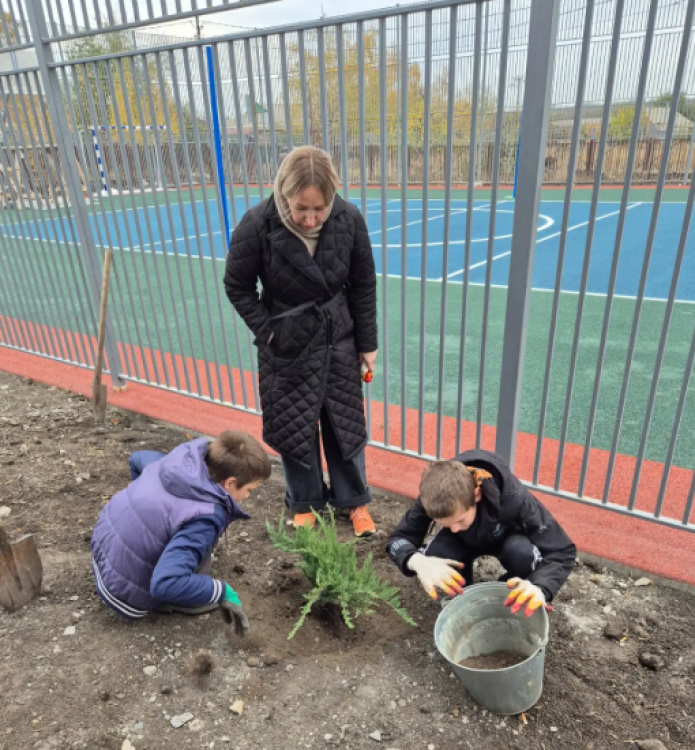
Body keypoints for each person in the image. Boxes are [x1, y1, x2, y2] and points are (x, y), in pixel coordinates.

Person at [224, 145, 378, 537]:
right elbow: (237, 285)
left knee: (344, 422)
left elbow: (362, 284)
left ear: (332, 198)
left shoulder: (349, 219)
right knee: (296, 424)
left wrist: (367, 343)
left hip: (337, 337)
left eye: (319, 209)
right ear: (284, 194)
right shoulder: (257, 224)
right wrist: (270, 331)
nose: (310, 219)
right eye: (301, 208)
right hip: (287, 343)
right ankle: (304, 502)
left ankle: (354, 500)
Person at [90, 431, 271, 634]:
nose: (248, 496)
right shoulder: (205, 515)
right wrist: (221, 591)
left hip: (101, 552)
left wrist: (145, 509)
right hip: (125, 595)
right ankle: (178, 601)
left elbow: (136, 458)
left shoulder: (173, 464)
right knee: (202, 542)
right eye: (249, 490)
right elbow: (165, 584)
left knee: (179, 529)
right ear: (230, 483)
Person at [387, 450, 576, 616]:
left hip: (507, 538)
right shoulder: (433, 497)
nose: (454, 528)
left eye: (460, 520)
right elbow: (399, 539)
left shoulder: (515, 498)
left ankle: (511, 593)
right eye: (446, 524)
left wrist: (540, 588)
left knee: (522, 553)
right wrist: (416, 561)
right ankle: (463, 596)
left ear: (477, 495)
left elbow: (562, 550)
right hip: (462, 542)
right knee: (437, 553)